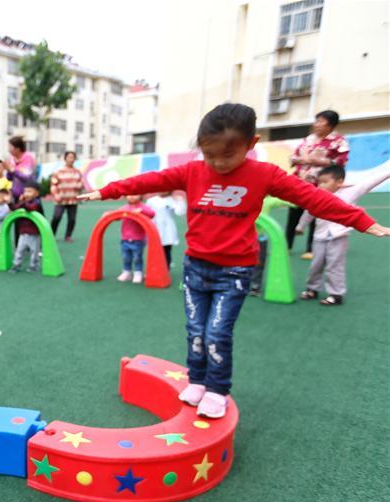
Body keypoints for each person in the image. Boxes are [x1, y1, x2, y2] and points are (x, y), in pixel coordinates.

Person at [78, 103, 388, 419]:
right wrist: (106, 191)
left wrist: (362, 221)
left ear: (251, 145)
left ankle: (217, 389)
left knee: (217, 333)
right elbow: (148, 181)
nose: (218, 163)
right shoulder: (192, 171)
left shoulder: (264, 174)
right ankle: (197, 380)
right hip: (195, 268)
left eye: (227, 155)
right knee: (195, 330)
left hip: (235, 271)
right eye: (209, 154)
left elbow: (315, 199)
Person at [297, 167, 390, 306]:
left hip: (338, 237)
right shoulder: (316, 197)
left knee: (335, 266)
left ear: (339, 182)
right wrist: (300, 226)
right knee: (316, 265)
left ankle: (336, 294)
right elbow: (308, 212)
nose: (320, 185)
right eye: (319, 182)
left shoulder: (348, 194)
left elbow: (368, 183)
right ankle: (312, 288)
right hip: (319, 238)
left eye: (325, 182)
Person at [286, 110, 350, 258]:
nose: (317, 124)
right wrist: (298, 159)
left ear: (331, 125)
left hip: (320, 186)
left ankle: (310, 249)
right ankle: (287, 246)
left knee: (315, 216)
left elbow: (342, 161)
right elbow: (294, 156)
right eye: (317, 121)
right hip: (300, 183)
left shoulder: (338, 141)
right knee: (294, 214)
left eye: (321, 121)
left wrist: (321, 161)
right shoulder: (308, 139)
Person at [116, 195, 155, 284]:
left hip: (138, 239)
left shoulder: (143, 207)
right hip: (125, 238)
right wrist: (108, 214)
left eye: (135, 194)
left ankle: (138, 272)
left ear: (141, 195)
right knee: (126, 257)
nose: (132, 197)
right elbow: (116, 216)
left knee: (137, 257)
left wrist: (142, 211)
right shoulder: (124, 208)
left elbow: (152, 214)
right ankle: (127, 271)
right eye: (129, 194)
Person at [8, 180, 43, 273]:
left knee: (34, 251)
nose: (26, 194)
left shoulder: (37, 202)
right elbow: (15, 209)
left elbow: (31, 209)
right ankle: (16, 264)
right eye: (25, 191)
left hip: (34, 233)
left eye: (30, 191)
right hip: (23, 232)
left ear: (36, 193)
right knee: (19, 250)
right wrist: (10, 203)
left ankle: (33, 266)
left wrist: (22, 203)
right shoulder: (23, 203)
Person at [50, 150, 85, 242]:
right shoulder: (59, 172)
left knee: (72, 219)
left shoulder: (77, 172)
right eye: (69, 157)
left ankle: (68, 236)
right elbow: (53, 185)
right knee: (56, 217)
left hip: (73, 200)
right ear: (65, 159)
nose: (71, 159)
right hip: (60, 199)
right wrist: (55, 195)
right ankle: (51, 235)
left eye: (73, 157)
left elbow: (81, 184)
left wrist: (79, 188)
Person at [145, 192, 186, 269]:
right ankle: (153, 269)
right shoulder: (151, 200)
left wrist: (181, 201)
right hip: (154, 228)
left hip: (168, 230)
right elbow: (146, 213)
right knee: (154, 251)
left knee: (166, 250)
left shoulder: (172, 200)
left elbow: (180, 212)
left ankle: (165, 270)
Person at [4, 135, 37, 201]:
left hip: (26, 196)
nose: (9, 150)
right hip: (15, 195)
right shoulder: (12, 159)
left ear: (18, 148)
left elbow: (27, 177)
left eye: (11, 147)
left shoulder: (28, 158)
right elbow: (9, 178)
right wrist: (8, 171)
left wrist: (13, 171)